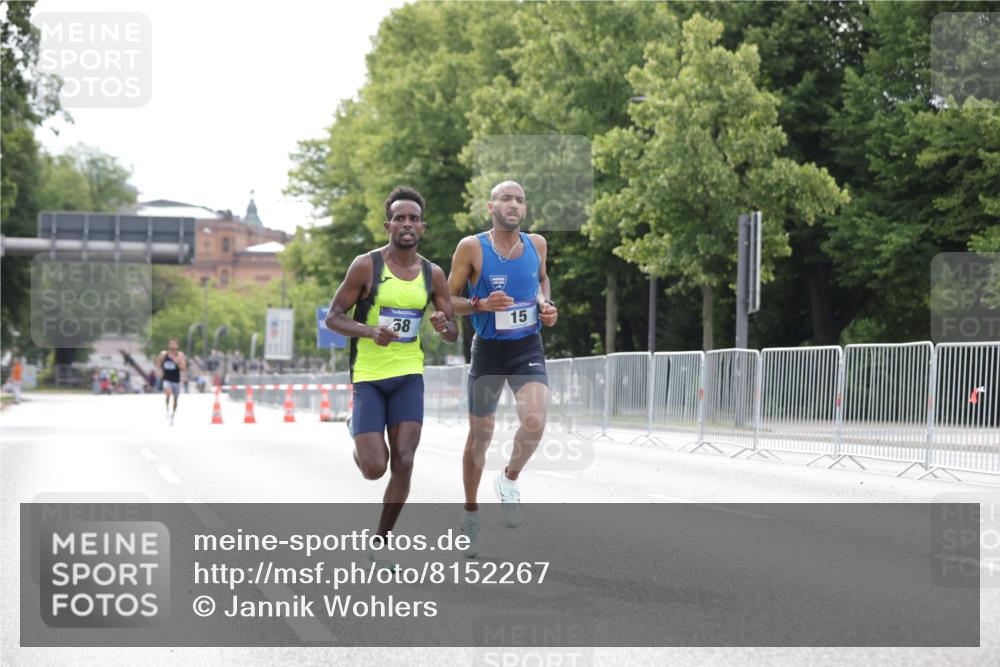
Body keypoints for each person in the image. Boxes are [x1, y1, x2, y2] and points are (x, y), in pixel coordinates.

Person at [325, 186, 457, 568]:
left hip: (408, 375)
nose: (407, 224)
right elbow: (333, 317)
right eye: (400, 218)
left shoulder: (433, 274)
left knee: (405, 459)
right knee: (374, 468)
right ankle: (355, 424)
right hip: (368, 376)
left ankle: (381, 543)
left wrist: (443, 324)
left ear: (423, 227)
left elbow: (452, 331)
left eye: (414, 218)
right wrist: (369, 331)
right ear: (388, 225)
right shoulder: (366, 266)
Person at [447, 181, 558, 557]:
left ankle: (509, 479)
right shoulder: (472, 247)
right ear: (490, 206)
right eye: (506, 198)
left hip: (527, 345)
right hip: (489, 350)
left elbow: (541, 281)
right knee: (480, 436)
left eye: (520, 200)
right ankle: (470, 515)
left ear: (524, 209)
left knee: (535, 421)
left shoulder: (537, 244)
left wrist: (546, 304)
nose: (513, 204)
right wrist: (479, 305)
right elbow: (448, 299)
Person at [155, 337, 187, 426]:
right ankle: (167, 408)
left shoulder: (180, 355)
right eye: (171, 343)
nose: (173, 345)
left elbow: (183, 368)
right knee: (168, 392)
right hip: (166, 379)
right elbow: (158, 362)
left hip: (176, 380)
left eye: (174, 344)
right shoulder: (164, 354)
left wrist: (177, 362)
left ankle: (173, 414)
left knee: (176, 400)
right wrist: (159, 371)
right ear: (168, 345)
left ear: (177, 345)